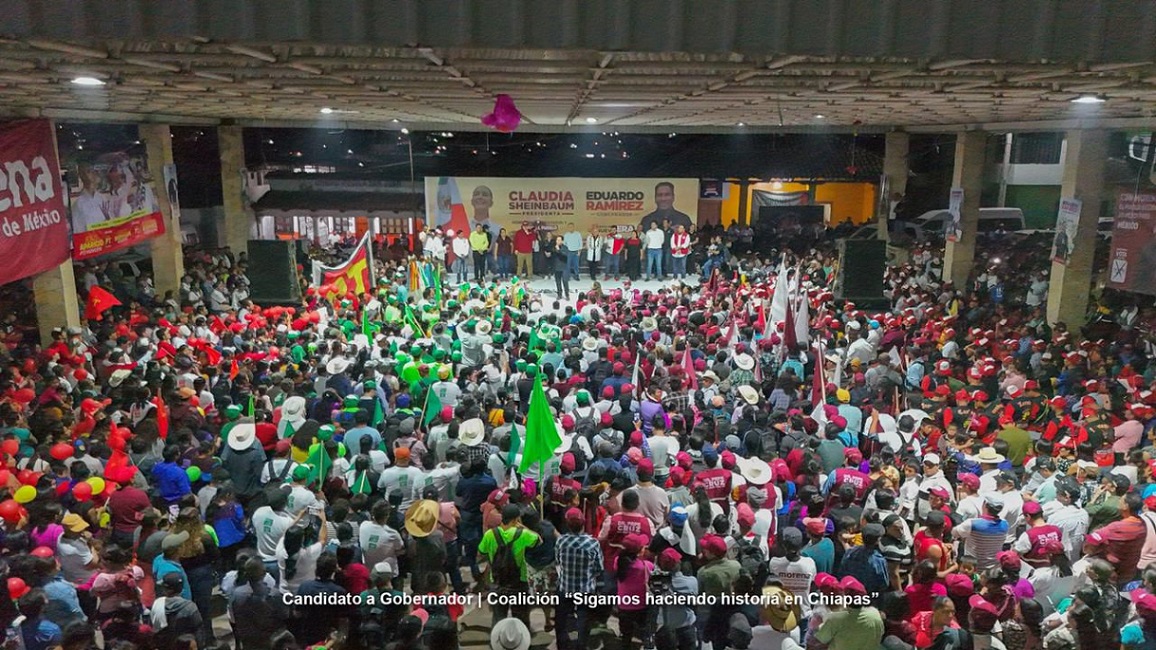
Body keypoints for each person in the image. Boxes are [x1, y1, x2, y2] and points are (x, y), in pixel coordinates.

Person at [477, 504, 541, 627]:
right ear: (516, 519)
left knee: (498, 619)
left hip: (497, 583)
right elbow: (538, 540)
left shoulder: (490, 534)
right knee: (521, 618)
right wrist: (521, 526)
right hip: (519, 583)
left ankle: (499, 637)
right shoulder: (523, 534)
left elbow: (481, 552)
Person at [545, 235, 570, 300]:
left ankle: (567, 295)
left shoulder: (565, 247)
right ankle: (559, 294)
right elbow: (550, 253)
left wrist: (559, 250)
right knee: (558, 282)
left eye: (559, 240)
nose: (558, 241)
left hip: (564, 267)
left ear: (562, 241)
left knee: (565, 281)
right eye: (557, 240)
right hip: (556, 267)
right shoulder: (554, 247)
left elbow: (565, 255)